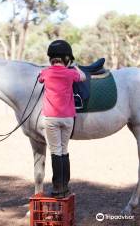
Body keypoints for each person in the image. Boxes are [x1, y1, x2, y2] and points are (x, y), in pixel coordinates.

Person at [39, 40, 86, 198]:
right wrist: (75, 66)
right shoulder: (71, 73)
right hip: (68, 118)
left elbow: (39, 79)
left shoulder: (46, 72)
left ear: (51, 59)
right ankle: (65, 186)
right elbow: (83, 78)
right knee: (64, 150)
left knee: (55, 151)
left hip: (51, 118)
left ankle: (58, 188)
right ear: (66, 59)